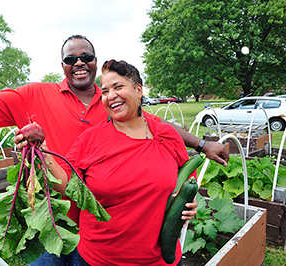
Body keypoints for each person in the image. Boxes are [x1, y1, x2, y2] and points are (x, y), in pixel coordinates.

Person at [0, 35, 227, 265]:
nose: (79, 62)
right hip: (52, 215)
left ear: (96, 63)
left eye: (86, 57)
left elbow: (162, 129)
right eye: (70, 58)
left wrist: (202, 144)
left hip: (102, 225)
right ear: (63, 65)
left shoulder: (114, 103)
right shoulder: (38, 94)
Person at [44, 59, 193, 265]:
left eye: (118, 87)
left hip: (160, 259)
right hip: (98, 258)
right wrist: (43, 154)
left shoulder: (166, 136)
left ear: (139, 90)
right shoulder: (90, 140)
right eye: (104, 91)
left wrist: (188, 205)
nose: (110, 96)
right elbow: (66, 186)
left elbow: (186, 176)